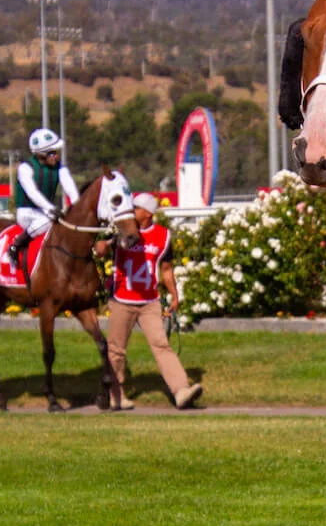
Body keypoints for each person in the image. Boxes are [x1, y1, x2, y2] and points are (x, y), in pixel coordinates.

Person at [94, 193, 203, 410]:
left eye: (136, 208)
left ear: (147, 213)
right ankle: (116, 395)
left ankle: (181, 390)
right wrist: (102, 246)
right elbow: (101, 249)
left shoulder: (163, 236)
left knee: (161, 344)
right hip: (122, 299)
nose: (131, 211)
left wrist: (174, 295)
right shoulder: (122, 230)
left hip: (149, 301)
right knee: (116, 349)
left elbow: (166, 269)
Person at [11, 127, 80, 271]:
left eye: (56, 152)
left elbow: (71, 191)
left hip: (46, 212)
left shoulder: (61, 168)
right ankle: (16, 245)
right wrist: (50, 208)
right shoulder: (25, 168)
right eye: (52, 153)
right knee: (50, 221)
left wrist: (77, 209)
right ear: (41, 155)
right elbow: (32, 193)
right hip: (27, 212)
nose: (56, 156)